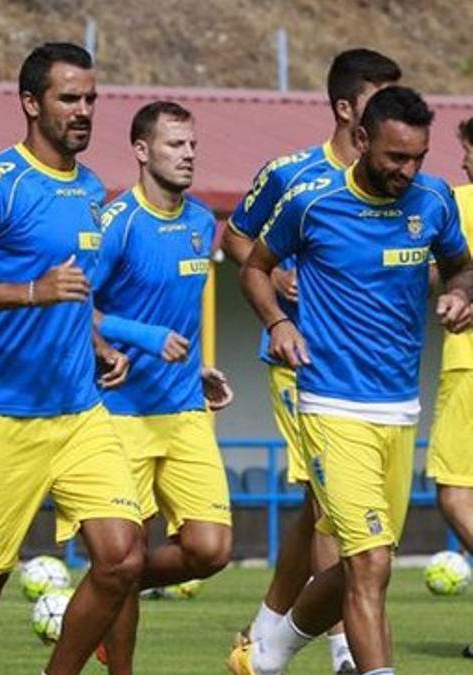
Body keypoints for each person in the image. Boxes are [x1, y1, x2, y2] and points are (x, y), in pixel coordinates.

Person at [230, 86, 473, 675]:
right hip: (329, 404)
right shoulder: (311, 202)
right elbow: (256, 268)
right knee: (370, 564)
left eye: (418, 157)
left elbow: (462, 264)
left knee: (370, 559)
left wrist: (461, 293)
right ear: (362, 141)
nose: (407, 170)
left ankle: (267, 653)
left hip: (398, 409)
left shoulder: (434, 200)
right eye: (395, 157)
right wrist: (278, 321)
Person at [0, 42, 145, 675]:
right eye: (69, 98)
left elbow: (74, 296)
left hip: (79, 411)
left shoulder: (89, 188)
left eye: (91, 100)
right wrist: (31, 291)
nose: (84, 111)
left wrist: (99, 343)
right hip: (1, 416)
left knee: (123, 559)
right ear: (31, 103)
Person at [223, 49, 400, 674]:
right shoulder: (295, 176)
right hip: (305, 366)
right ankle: (345, 647)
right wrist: (282, 283)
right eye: (379, 100)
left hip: (376, 382)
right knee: (331, 507)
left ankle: (266, 634)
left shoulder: (396, 185)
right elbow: (238, 237)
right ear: (346, 108)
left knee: (316, 504)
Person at [91, 101, 234, 675]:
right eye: (176, 145)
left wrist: (199, 368)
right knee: (124, 551)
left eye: (193, 144)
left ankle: (97, 593)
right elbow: (77, 305)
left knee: (211, 549)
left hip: (184, 409)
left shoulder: (203, 224)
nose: (189, 154)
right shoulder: (115, 222)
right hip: (120, 413)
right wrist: (142, 337)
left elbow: (182, 318)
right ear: (142, 151)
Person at [426, 116, 473, 658]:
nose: (463, 161)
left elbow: (424, 270)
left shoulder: (454, 203)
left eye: (468, 152)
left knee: (457, 493)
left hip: (467, 369)